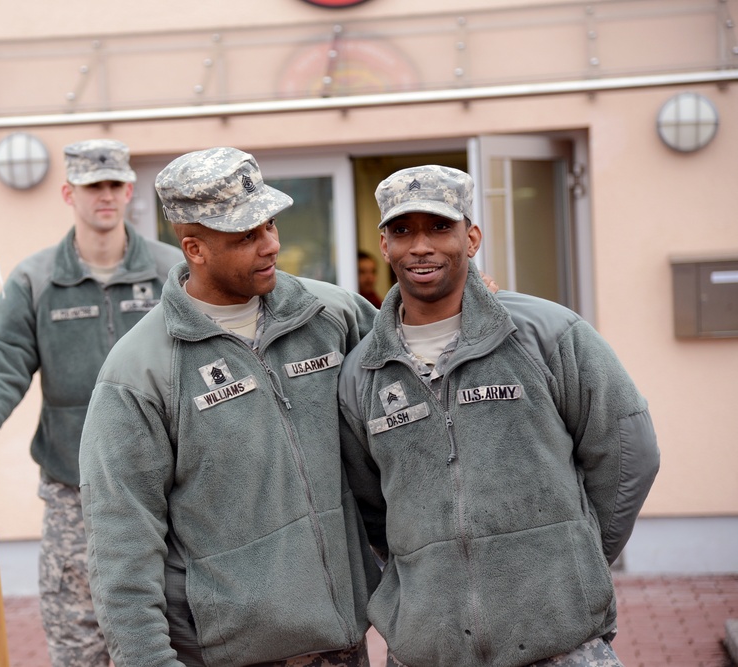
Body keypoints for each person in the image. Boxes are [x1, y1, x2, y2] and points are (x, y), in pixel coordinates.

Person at [337, 165, 660, 667]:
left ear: (471, 237)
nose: (420, 246)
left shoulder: (546, 333)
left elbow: (627, 452)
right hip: (429, 651)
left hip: (563, 645)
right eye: (403, 231)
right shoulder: (364, 372)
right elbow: (369, 502)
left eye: (439, 227)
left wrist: (580, 558)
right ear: (384, 246)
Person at [78, 146, 382, 667]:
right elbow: (120, 543)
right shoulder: (140, 370)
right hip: (226, 654)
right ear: (194, 248)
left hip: (343, 642)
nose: (270, 246)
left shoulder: (332, 315)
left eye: (269, 225)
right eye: (246, 237)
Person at [0, 139, 184, 667]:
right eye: (91, 186)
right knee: (78, 635)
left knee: (173, 626)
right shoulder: (35, 280)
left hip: (169, 487)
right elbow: (3, 360)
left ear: (129, 190)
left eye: (113, 185)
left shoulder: (172, 274)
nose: (105, 195)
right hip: (73, 490)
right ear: (68, 193)